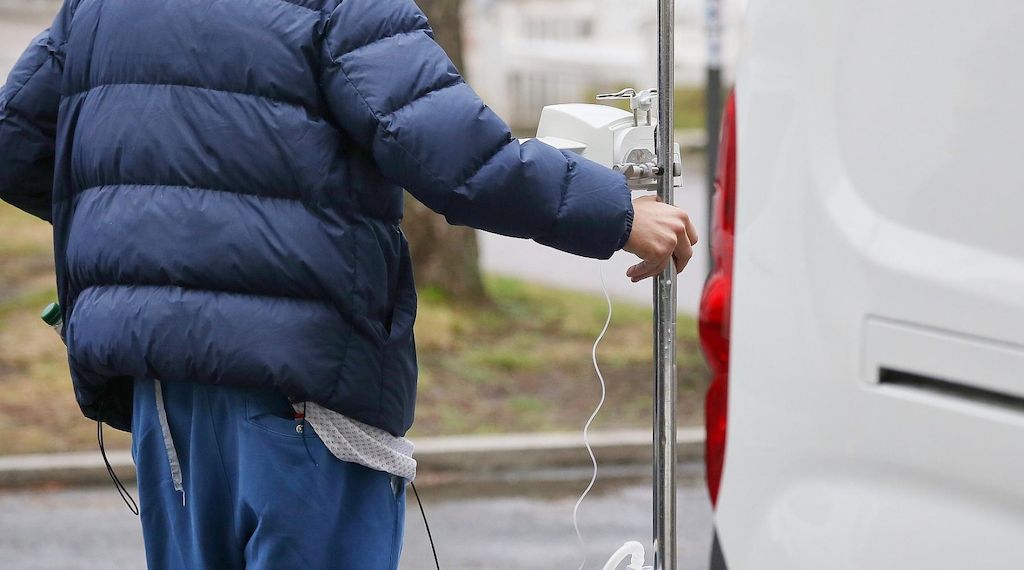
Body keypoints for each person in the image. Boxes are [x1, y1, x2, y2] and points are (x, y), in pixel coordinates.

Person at [0, 0, 698, 567]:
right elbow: (457, 154)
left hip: (163, 392)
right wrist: (615, 213)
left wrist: (150, 237)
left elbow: (16, 144)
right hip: (299, 381)